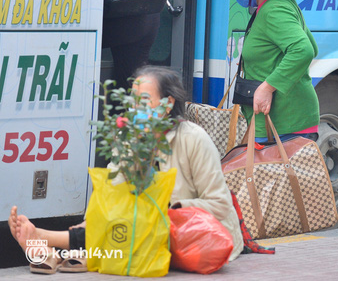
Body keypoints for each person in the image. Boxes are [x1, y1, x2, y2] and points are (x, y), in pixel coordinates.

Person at [9, 66, 244, 273]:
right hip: (149, 232)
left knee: (136, 225)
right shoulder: (130, 138)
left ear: (168, 103)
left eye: (143, 100)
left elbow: (219, 204)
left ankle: (43, 239)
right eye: (132, 101)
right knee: (124, 222)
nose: (134, 108)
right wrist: (91, 220)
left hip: (198, 237)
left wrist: (167, 207)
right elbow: (112, 190)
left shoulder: (194, 139)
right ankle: (56, 251)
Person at [210, 0, 319, 142]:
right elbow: (313, 46)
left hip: (284, 121)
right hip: (277, 119)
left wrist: (268, 86)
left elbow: (304, 50)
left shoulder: (274, 10)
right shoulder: (280, 3)